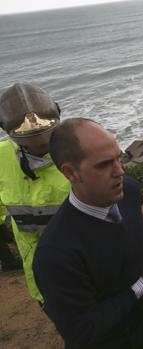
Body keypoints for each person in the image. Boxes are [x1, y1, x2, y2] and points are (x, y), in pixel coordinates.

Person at [33, 118, 143, 348]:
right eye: (104, 164)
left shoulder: (129, 191)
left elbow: (139, 229)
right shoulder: (55, 254)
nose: (119, 171)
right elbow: (82, 331)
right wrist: (142, 285)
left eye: (118, 158)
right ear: (70, 172)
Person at [0, 83, 69, 301]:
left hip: (90, 267)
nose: (41, 147)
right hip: (41, 280)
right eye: (30, 144)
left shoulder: (79, 146)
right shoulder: (1, 159)